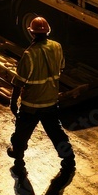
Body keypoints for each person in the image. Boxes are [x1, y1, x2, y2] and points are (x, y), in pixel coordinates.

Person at [8, 16, 75, 171]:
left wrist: (12, 102)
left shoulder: (29, 54)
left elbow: (19, 82)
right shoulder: (57, 47)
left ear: (32, 33)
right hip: (50, 102)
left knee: (22, 133)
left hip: (31, 105)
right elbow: (61, 67)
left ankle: (18, 157)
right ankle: (69, 159)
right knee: (56, 132)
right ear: (48, 31)